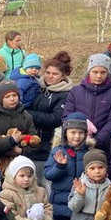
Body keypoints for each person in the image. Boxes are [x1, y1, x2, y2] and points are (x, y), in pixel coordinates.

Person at [62, 53, 111, 181]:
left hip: (101, 146)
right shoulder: (76, 91)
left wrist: (96, 141)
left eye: (103, 72)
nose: (98, 76)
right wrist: (77, 136)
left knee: (100, 182)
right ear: (89, 71)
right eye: (95, 71)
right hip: (75, 143)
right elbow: (67, 116)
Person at [44, 113, 91, 220]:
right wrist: (60, 166)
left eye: (80, 133)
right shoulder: (58, 151)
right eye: (73, 132)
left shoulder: (89, 153)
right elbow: (48, 174)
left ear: (85, 134)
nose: (76, 136)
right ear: (65, 133)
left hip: (79, 203)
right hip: (59, 203)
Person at [26, 51, 74, 184]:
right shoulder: (36, 86)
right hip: (27, 142)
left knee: (40, 183)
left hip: (45, 146)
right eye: (47, 72)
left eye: (55, 74)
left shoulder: (65, 94)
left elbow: (55, 119)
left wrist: (26, 114)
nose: (50, 77)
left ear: (63, 76)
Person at [0, 80, 40, 166]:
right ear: (1, 99)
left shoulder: (26, 116)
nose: (12, 99)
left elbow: (35, 142)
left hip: (22, 163)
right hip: (0, 163)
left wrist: (21, 151)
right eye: (7, 96)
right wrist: (10, 141)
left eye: (15, 95)